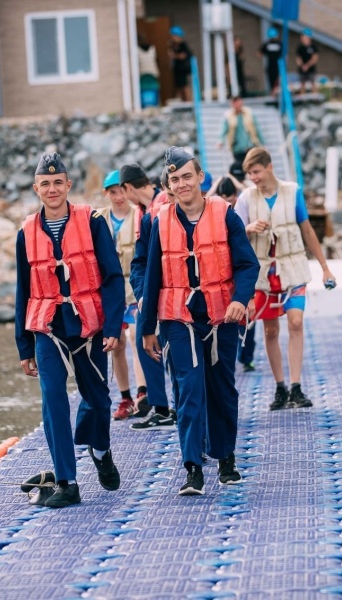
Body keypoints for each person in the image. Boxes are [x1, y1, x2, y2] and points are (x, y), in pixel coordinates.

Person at [141, 147, 259, 495]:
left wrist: (240, 299)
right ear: (169, 185)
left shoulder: (225, 215)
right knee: (189, 388)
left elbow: (247, 264)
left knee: (222, 389)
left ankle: (226, 458)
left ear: (200, 177)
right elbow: (151, 276)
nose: (181, 184)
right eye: (174, 179)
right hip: (178, 318)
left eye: (187, 177)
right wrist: (147, 328)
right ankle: (192, 467)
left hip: (221, 316)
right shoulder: (159, 221)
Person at [14, 152, 125, 508]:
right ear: (36, 189)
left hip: (88, 327)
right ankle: (67, 481)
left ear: (68, 185)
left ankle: (100, 450)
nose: (52, 189)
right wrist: (24, 346)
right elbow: (23, 289)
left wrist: (113, 325)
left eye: (58, 182)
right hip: (47, 328)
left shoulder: (92, 222)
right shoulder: (26, 232)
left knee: (98, 400)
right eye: (45, 184)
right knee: (54, 401)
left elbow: (112, 277)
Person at [235, 147, 336, 411]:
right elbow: (233, 234)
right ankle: (280, 387)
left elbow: (307, 230)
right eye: (249, 174)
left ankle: (296, 386)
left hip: (292, 269)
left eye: (256, 172)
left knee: (296, 322)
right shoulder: (246, 198)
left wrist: (324, 268)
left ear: (269, 167)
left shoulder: (293, 192)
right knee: (270, 330)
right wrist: (248, 228)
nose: (253, 178)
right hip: (264, 274)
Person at [121, 163, 177, 431]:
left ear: (127, 188)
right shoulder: (143, 212)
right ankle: (161, 406)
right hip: (150, 292)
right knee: (146, 342)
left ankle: (176, 405)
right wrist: (143, 293)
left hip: (174, 289)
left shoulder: (165, 201)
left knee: (173, 348)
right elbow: (141, 261)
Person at [98, 170, 149, 420]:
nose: (118, 197)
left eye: (121, 191)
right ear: (106, 194)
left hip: (134, 286)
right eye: (113, 192)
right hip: (110, 290)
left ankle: (143, 392)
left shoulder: (140, 215)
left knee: (137, 337)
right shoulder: (99, 219)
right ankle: (125, 396)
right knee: (115, 342)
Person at [214, 176, 257, 372]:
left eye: (230, 198)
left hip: (241, 269)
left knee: (246, 315)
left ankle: (246, 356)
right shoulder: (212, 212)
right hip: (222, 274)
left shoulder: (240, 209)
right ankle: (229, 358)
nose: (227, 202)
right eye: (223, 198)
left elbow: (249, 189)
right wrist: (217, 183)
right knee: (226, 318)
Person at [217, 96, 264, 165]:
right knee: (240, 165)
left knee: (252, 164)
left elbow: (257, 128)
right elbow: (223, 130)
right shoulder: (228, 116)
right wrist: (220, 141)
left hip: (250, 145)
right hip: (237, 147)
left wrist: (262, 143)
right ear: (232, 104)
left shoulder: (249, 113)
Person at [168, 26, 193, 102]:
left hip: (183, 69)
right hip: (177, 69)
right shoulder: (174, 45)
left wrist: (175, 56)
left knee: (184, 86)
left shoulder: (183, 45)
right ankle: (183, 100)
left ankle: (188, 100)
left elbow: (184, 55)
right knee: (179, 86)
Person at [258, 27, 283, 96]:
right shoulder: (280, 44)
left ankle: (273, 94)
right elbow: (284, 54)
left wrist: (267, 54)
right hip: (278, 66)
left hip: (270, 66)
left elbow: (259, 53)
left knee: (272, 83)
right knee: (278, 82)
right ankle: (275, 94)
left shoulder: (267, 44)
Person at [296, 29, 319, 94]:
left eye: (303, 36)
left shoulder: (313, 47)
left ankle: (315, 97)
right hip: (302, 69)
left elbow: (315, 58)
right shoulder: (300, 47)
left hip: (311, 69)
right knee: (302, 84)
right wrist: (302, 66)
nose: (301, 38)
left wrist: (307, 65)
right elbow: (298, 59)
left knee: (313, 83)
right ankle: (302, 97)